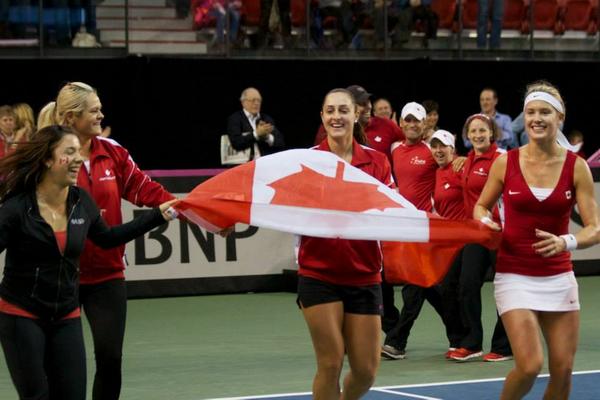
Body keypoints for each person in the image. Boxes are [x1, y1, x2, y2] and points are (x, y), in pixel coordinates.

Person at [0, 125, 176, 400]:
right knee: (37, 396)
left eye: (78, 152)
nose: (79, 159)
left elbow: (108, 238)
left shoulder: (81, 201)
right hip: (21, 315)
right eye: (69, 152)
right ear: (47, 159)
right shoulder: (16, 209)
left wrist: (156, 216)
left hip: (65, 316)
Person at [39, 81, 178, 400]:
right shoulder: (47, 156)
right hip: (60, 276)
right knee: (60, 364)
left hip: (107, 275)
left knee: (110, 359)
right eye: (94, 110)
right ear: (71, 118)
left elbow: (144, 189)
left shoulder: (113, 151)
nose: (101, 114)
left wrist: (188, 209)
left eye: (100, 108)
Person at [474, 81, 600, 399]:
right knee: (530, 365)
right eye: (530, 112)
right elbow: (481, 206)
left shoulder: (577, 167)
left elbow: (594, 229)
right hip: (514, 274)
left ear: (560, 117)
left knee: (563, 371)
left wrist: (566, 242)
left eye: (545, 112)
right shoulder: (506, 162)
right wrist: (485, 222)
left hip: (559, 277)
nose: (536, 119)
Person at [298, 88, 393, 399]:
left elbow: (394, 209)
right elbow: (269, 199)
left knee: (366, 371)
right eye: (330, 111)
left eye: (343, 110)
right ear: (322, 117)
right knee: (330, 362)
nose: (336, 117)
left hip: (364, 275)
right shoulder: (307, 161)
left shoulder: (378, 162)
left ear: (356, 115)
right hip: (318, 274)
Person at [381, 102, 457, 360]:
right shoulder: (394, 149)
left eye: (417, 120)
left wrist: (461, 160)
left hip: (425, 230)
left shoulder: (431, 151)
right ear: (401, 123)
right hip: (402, 230)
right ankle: (459, 334)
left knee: (414, 286)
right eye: (408, 120)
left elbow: (450, 164)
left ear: (425, 124)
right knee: (430, 287)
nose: (413, 124)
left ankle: (396, 341)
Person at [448, 113, 511, 362]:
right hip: (476, 234)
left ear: (492, 133)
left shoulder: (503, 159)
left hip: (500, 235)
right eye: (473, 131)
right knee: (466, 285)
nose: (477, 135)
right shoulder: (467, 161)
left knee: (504, 289)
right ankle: (472, 343)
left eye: (482, 130)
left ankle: (504, 346)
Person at [430, 129, 468, 357]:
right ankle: (457, 340)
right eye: (434, 146)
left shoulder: (461, 167)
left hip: (466, 239)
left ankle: (467, 341)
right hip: (447, 243)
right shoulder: (436, 172)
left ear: (452, 149)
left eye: (442, 146)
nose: (438, 150)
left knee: (460, 290)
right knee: (447, 291)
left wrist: (467, 159)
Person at [314, 85, 404, 163]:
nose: (368, 106)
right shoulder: (327, 130)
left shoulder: (386, 125)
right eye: (362, 103)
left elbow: (409, 144)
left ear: (355, 114)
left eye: (368, 102)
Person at [227, 87, 285, 162]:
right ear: (243, 102)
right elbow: (236, 143)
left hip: (264, 163)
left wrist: (267, 137)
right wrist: (256, 134)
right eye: (253, 100)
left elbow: (281, 143)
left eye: (259, 100)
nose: (256, 103)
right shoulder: (235, 119)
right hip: (243, 165)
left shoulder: (266, 119)